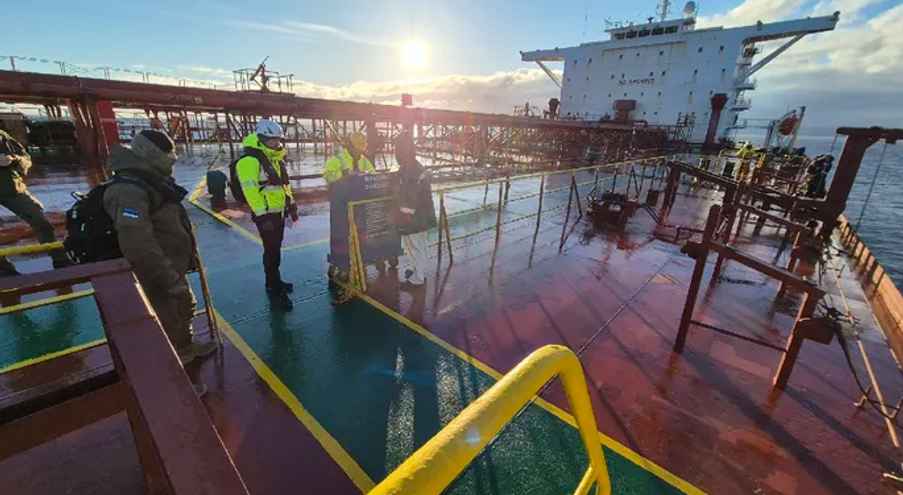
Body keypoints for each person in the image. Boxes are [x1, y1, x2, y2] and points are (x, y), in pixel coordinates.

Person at [102, 129, 216, 369]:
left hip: (172, 264)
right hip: (158, 270)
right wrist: (167, 278)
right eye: (168, 159)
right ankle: (175, 366)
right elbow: (138, 244)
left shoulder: (151, 180)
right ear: (150, 155)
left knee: (182, 307)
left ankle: (184, 347)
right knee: (167, 314)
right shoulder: (129, 190)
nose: (171, 164)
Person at [236, 119, 297, 310]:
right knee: (271, 251)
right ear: (261, 138)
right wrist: (262, 216)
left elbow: (283, 185)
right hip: (266, 216)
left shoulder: (274, 158)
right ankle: (273, 288)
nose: (276, 143)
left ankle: (275, 281)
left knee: (275, 249)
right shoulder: (250, 161)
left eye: (278, 139)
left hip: (278, 212)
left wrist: (291, 204)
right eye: (272, 140)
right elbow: (250, 191)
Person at [0, 128, 71, 276]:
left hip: (11, 190)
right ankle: (5, 270)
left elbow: (26, 159)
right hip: (9, 188)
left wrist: (13, 160)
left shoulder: (2, 136)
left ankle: (60, 259)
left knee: (40, 221)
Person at [395, 132, 437, 287]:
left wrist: (406, 214)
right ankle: (415, 270)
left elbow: (411, 194)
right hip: (420, 214)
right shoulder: (413, 166)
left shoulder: (410, 169)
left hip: (415, 216)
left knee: (415, 246)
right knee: (415, 245)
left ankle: (418, 279)